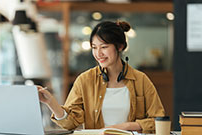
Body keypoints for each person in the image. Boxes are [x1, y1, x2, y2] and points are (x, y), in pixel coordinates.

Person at [37, 20, 165, 132]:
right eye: (94, 47)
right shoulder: (85, 80)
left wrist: (126, 126)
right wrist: (51, 102)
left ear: (120, 46)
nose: (98, 54)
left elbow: (159, 121)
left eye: (104, 47)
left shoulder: (141, 80)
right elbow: (70, 124)